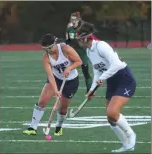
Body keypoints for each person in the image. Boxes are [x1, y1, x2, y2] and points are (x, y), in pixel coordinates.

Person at [76, 22, 137, 153]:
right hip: (112, 81)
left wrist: (102, 78)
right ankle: (126, 145)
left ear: (86, 38)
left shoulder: (101, 46)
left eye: (80, 39)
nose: (79, 42)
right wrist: (91, 90)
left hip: (124, 78)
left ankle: (131, 135)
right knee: (111, 118)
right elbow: (97, 71)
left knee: (112, 112)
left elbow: (116, 65)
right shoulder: (89, 51)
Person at [23, 33, 82, 136]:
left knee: (63, 108)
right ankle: (32, 127)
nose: (48, 50)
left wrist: (69, 68)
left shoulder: (65, 49)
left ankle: (58, 127)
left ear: (55, 43)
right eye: (45, 49)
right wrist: (56, 90)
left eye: (50, 48)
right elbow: (50, 75)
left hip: (71, 81)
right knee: (42, 101)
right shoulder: (46, 57)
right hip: (56, 79)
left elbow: (79, 61)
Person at [66, 12, 92, 93]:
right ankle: (66, 88)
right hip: (72, 54)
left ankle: (89, 90)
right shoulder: (69, 30)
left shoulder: (82, 30)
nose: (73, 21)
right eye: (71, 19)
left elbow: (87, 43)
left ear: (78, 20)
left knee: (86, 73)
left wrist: (81, 41)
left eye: (74, 19)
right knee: (67, 71)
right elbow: (68, 42)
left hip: (82, 54)